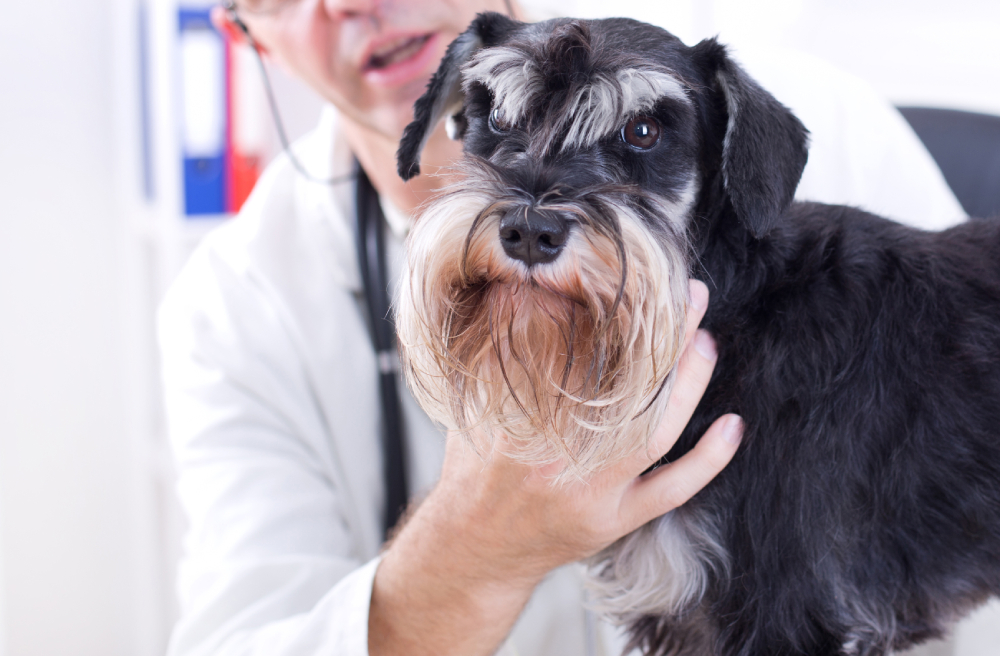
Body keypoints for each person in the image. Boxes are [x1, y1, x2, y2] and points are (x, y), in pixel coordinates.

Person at [158, 1, 966, 655]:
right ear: (244, 35)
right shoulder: (234, 310)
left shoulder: (810, 118)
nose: (350, 3)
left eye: (641, 138)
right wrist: (470, 550)